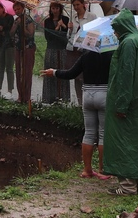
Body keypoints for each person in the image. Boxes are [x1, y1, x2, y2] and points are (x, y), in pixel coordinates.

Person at [103, 8, 138, 195]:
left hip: (130, 101)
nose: (115, 33)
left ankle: (127, 186)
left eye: (116, 29)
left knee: (123, 140)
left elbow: (126, 75)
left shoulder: (128, 43)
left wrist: (121, 104)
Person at [42, 46, 114, 179]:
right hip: (104, 94)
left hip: (87, 94)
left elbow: (71, 74)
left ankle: (87, 170)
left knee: (89, 133)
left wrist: (54, 72)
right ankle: (103, 171)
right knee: (104, 134)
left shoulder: (86, 56)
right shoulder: (111, 56)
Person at [66, 0, 94, 105]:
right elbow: (68, 36)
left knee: (84, 76)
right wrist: (69, 29)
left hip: (85, 49)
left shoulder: (91, 16)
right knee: (76, 76)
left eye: (78, 4)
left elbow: (94, 33)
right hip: (73, 49)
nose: (76, 7)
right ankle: (79, 102)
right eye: (74, 5)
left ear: (83, 4)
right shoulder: (73, 17)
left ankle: (87, 101)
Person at [41, 1, 71, 104]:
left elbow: (67, 35)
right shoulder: (48, 21)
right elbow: (48, 37)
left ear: (60, 9)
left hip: (62, 49)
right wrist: (57, 28)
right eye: (53, 8)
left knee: (62, 71)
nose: (55, 10)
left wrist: (65, 26)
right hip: (51, 49)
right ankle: (49, 97)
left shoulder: (66, 19)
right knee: (50, 72)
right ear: (51, 9)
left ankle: (63, 97)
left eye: (57, 8)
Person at [14, 0, 38, 105]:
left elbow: (30, 34)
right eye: (15, 9)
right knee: (19, 71)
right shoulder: (17, 20)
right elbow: (11, 33)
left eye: (18, 9)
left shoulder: (28, 20)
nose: (16, 11)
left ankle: (27, 96)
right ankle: (20, 95)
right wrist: (16, 24)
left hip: (28, 48)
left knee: (27, 72)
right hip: (18, 48)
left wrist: (23, 26)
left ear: (23, 8)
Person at [0, 1, 15, 96]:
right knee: (0, 67)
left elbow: (10, 27)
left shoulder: (9, 17)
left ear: (3, 8)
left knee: (9, 68)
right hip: (0, 44)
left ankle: (10, 91)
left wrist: (2, 28)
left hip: (9, 45)